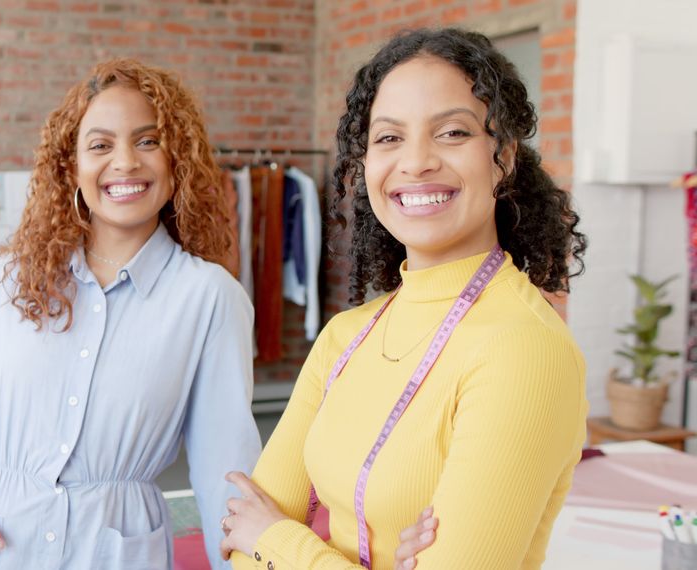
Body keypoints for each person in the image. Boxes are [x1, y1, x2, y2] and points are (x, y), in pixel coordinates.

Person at [220, 28, 589, 569]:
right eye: (389, 138)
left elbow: (257, 537)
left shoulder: (526, 350)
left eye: (453, 132)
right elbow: (237, 554)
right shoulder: (347, 336)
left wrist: (276, 539)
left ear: (503, 158)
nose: (416, 162)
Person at [0, 58, 261, 569]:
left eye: (148, 141)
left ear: (178, 160)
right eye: (100, 145)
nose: (124, 162)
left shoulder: (209, 298)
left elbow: (224, 471)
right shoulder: (16, 275)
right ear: (71, 167)